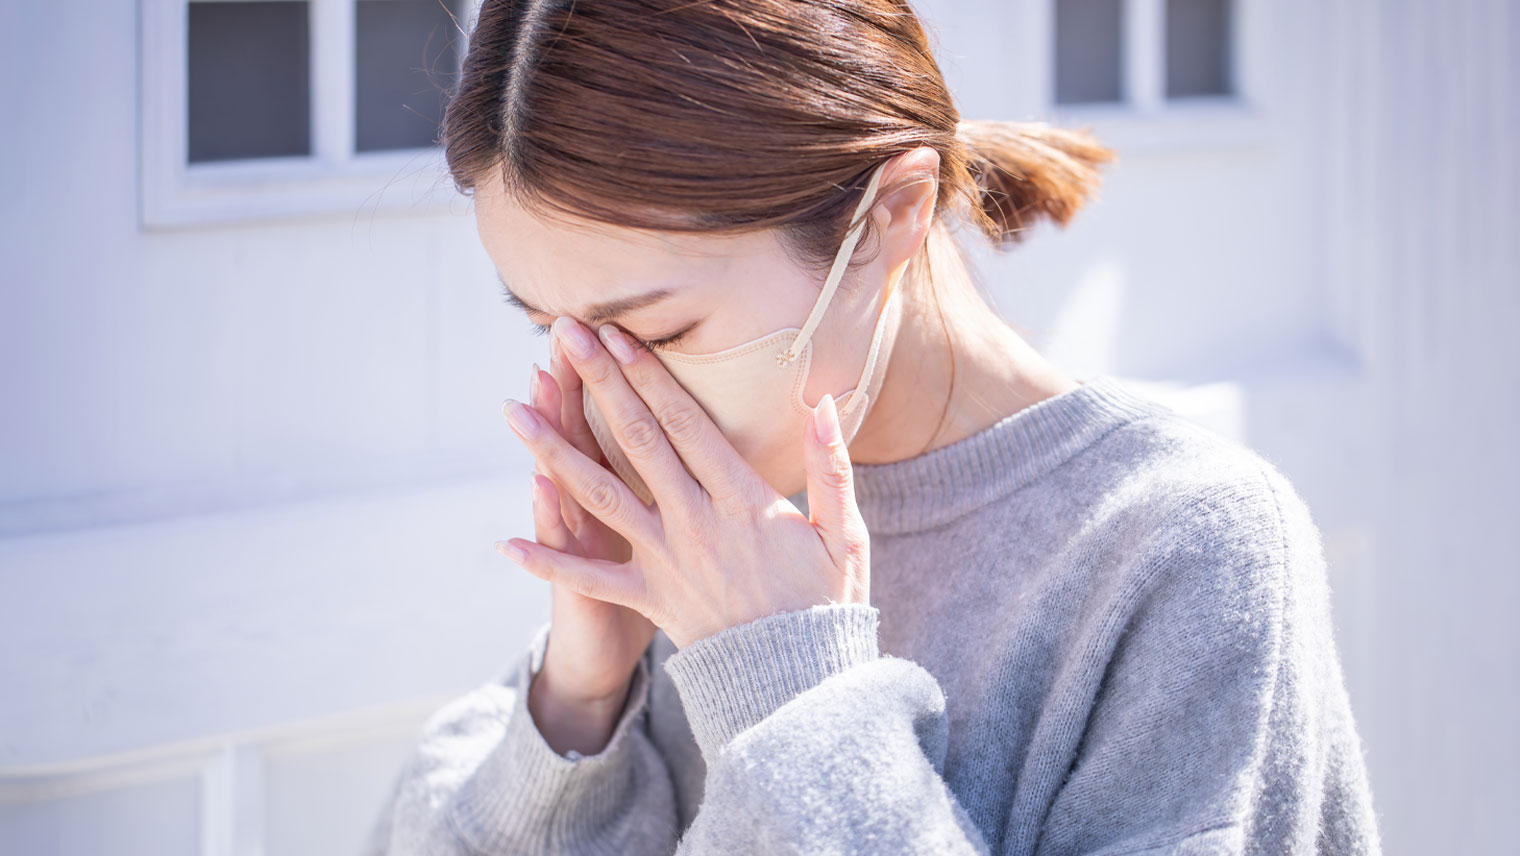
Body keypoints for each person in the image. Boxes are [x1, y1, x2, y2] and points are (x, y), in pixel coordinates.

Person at [366, 0, 1382, 853]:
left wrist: (787, 694)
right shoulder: (702, 535)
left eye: (657, 331)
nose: (607, 403)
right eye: (553, 331)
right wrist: (576, 707)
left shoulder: (1180, 547)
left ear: (892, 213)